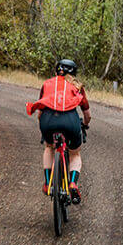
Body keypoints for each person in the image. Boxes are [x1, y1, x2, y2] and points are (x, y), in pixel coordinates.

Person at [25, 57, 90, 203]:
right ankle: (73, 183)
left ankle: (48, 183)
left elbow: (40, 110)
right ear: (74, 73)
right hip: (70, 121)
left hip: (48, 120)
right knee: (75, 154)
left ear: (56, 70)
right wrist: (84, 125)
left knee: (49, 147)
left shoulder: (47, 84)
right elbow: (87, 114)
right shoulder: (77, 86)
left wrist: (44, 127)